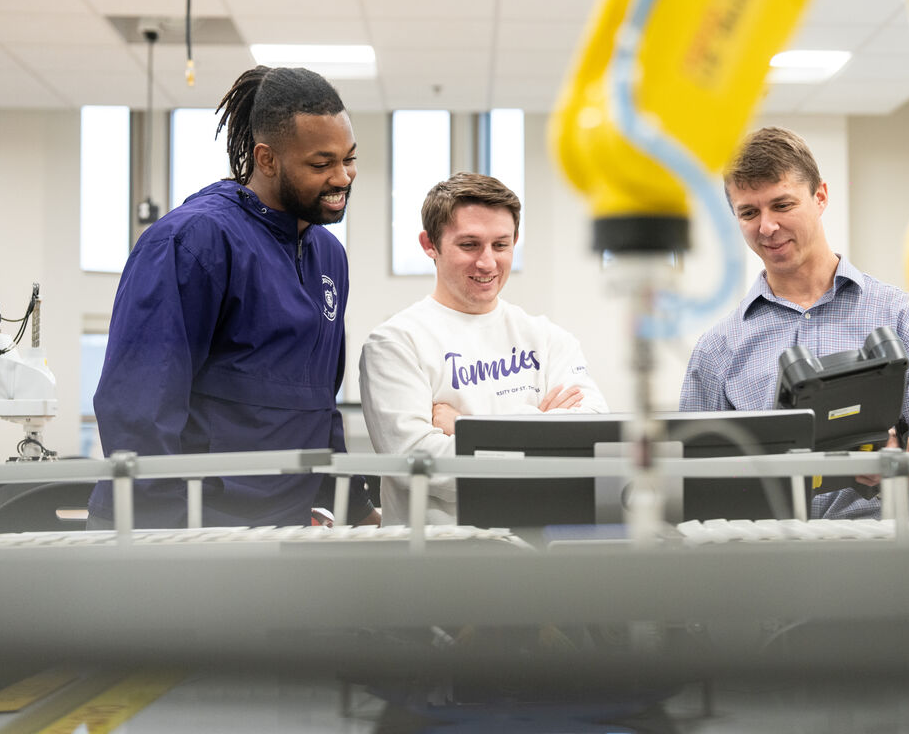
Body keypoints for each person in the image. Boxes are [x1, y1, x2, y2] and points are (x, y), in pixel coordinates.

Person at [86, 66, 378, 529]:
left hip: (279, 528)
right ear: (266, 159)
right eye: (321, 164)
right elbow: (138, 408)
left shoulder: (329, 256)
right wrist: (161, 536)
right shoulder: (194, 242)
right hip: (184, 530)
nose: (342, 177)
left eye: (350, 159)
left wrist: (351, 506)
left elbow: (318, 404)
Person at [679, 126, 909, 520]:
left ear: (821, 196)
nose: (766, 227)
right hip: (763, 561)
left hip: (877, 559)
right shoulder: (717, 349)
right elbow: (692, 483)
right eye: (749, 212)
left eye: (782, 205)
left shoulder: (901, 317)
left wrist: (894, 456)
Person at [359, 172, 609, 524]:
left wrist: (467, 427)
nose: (488, 262)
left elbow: (591, 435)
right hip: (438, 563)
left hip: (540, 552)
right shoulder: (396, 344)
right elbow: (420, 464)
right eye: (469, 245)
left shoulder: (547, 337)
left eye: (501, 245)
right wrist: (540, 431)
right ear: (430, 244)